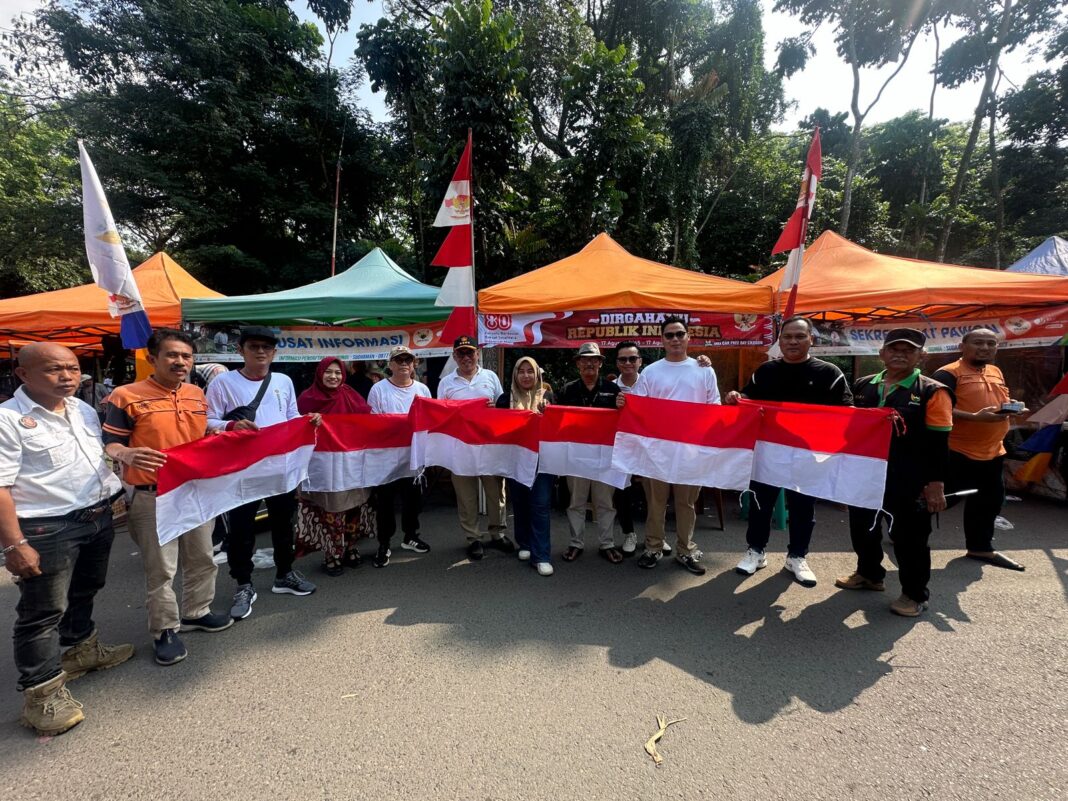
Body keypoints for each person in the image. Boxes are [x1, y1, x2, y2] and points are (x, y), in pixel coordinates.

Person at [0, 343, 133, 736]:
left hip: (95, 515)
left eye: (73, 369)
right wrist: (13, 545)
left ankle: (81, 649)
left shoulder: (82, 409)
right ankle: (41, 694)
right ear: (23, 375)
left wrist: (121, 461)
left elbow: (95, 456)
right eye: (54, 370)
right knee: (42, 611)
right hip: (46, 528)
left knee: (87, 589)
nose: (67, 377)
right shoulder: (8, 420)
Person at [102, 329, 233, 666]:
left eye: (186, 356)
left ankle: (196, 611)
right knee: (161, 568)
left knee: (203, 556)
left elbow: (200, 434)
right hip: (153, 494)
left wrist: (228, 430)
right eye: (172, 355)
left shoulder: (195, 394)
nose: (180, 362)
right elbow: (109, 443)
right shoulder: (125, 395)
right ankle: (164, 630)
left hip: (195, 490)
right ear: (152, 357)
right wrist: (125, 455)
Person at [725, 315, 853, 587]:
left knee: (803, 508)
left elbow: (847, 411)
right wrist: (738, 398)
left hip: (809, 454)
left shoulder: (830, 373)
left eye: (799, 336)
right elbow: (749, 397)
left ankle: (797, 556)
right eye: (787, 337)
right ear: (779, 341)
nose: (793, 341)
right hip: (769, 451)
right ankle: (756, 552)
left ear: (811, 340)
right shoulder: (765, 371)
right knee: (761, 505)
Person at [835, 329, 954, 617]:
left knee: (909, 538)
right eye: (893, 349)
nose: (899, 354)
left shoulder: (933, 391)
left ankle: (914, 595)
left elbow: (939, 442)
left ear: (921, 356)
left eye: (908, 350)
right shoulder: (864, 385)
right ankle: (870, 574)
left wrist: (935, 484)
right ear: (882, 354)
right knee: (863, 527)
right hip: (865, 473)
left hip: (909, 477)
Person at [206, 326, 319, 620]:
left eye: (267, 347)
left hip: (279, 468)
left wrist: (308, 421)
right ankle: (243, 583)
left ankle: (285, 574)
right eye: (254, 346)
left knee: (284, 525)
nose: (260, 352)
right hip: (242, 471)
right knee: (241, 531)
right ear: (240, 350)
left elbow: (291, 416)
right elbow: (207, 421)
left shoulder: (283, 380)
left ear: (274, 353)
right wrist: (231, 426)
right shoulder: (223, 383)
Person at [624, 318, 719, 575]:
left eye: (680, 334)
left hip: (691, 451)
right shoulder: (651, 372)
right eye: (669, 335)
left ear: (689, 337)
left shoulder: (704, 370)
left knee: (686, 504)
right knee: (656, 502)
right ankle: (653, 547)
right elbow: (639, 410)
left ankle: (686, 550)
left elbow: (714, 408)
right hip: (658, 452)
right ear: (662, 340)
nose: (675, 339)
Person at [932, 329, 1028, 571]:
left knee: (989, 501)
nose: (985, 347)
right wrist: (974, 418)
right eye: (978, 342)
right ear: (963, 345)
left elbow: (994, 404)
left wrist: (1011, 409)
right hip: (958, 450)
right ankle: (903, 528)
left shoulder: (995, 371)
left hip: (993, 450)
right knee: (942, 499)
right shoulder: (947, 374)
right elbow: (936, 409)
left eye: (990, 343)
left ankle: (980, 548)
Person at [295, 357, 375, 576]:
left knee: (353, 507)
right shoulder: (306, 398)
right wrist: (308, 421)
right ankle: (331, 554)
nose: (333, 377)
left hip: (351, 464)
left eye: (338, 373)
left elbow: (369, 420)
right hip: (323, 467)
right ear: (319, 373)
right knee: (329, 510)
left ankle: (350, 548)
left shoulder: (349, 394)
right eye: (328, 372)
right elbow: (293, 424)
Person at [437, 335, 513, 560]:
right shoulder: (446, 383)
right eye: (461, 353)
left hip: (489, 446)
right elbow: (440, 415)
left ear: (477, 354)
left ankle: (497, 533)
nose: (466, 357)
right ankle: (473, 538)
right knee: (466, 496)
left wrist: (494, 409)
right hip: (460, 448)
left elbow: (503, 406)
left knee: (495, 492)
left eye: (470, 352)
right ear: (454, 356)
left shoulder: (490, 376)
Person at [559, 342, 624, 564]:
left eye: (594, 360)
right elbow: (557, 423)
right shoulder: (567, 390)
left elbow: (624, 421)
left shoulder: (613, 390)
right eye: (584, 359)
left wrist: (624, 406)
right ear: (578, 363)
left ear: (599, 364)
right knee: (576, 502)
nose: (589, 363)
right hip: (576, 457)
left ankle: (607, 543)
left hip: (604, 457)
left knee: (605, 503)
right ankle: (576, 542)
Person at [368, 345, 432, 568]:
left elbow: (429, 421)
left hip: (414, 458)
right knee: (385, 504)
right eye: (399, 359)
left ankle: (410, 536)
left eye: (408, 359)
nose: (404, 363)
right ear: (390, 364)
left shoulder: (423, 390)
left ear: (414, 364)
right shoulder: (378, 390)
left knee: (413, 501)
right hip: (387, 457)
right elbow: (374, 423)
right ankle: (384, 543)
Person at [496, 357, 555, 576]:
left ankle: (542, 556)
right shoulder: (504, 399)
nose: (526, 376)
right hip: (515, 459)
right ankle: (525, 544)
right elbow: (496, 429)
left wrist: (548, 414)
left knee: (540, 505)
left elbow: (558, 428)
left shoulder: (548, 397)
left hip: (542, 461)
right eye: (521, 371)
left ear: (537, 374)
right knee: (520, 504)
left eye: (531, 371)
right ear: (515, 375)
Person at [612, 342, 653, 558]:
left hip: (648, 447)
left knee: (653, 493)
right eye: (622, 359)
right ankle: (629, 533)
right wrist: (614, 405)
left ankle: (655, 537)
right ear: (617, 363)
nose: (627, 363)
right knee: (622, 492)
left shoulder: (651, 383)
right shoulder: (610, 387)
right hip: (623, 447)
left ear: (640, 362)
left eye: (632, 359)